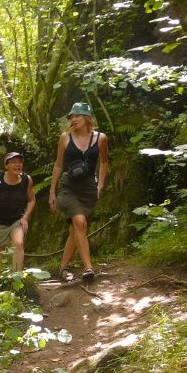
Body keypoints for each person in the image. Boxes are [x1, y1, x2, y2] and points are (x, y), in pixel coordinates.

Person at [48, 102, 109, 281]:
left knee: (76, 230)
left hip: (88, 187)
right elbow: (58, 165)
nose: (74, 119)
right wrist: (52, 191)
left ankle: (63, 268)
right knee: (80, 223)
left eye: (78, 115)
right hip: (68, 187)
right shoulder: (65, 137)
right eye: (72, 116)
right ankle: (88, 268)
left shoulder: (101, 138)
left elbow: (104, 163)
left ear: (87, 118)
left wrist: (100, 185)